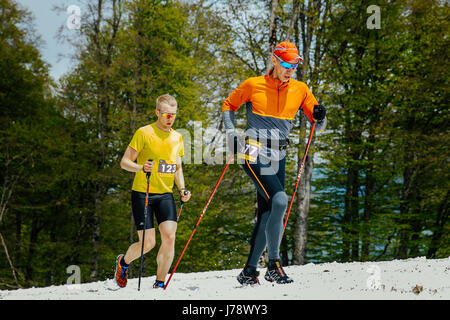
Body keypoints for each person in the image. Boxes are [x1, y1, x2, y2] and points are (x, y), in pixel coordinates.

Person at [222, 41, 326, 285]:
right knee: (280, 199)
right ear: (275, 61)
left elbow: (317, 124)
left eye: (294, 65)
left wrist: (321, 117)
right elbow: (229, 105)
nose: (290, 69)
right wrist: (231, 133)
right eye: (287, 64)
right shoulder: (253, 84)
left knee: (269, 211)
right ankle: (273, 265)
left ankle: (249, 271)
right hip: (253, 150)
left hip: (279, 155)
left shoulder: (300, 89)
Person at [115, 94, 191, 289]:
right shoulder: (144, 133)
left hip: (165, 194)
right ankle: (123, 262)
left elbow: (177, 167)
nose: (170, 118)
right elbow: (124, 162)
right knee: (147, 244)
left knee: (170, 236)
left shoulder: (177, 137)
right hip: (143, 193)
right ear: (157, 112)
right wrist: (141, 167)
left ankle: (159, 282)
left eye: (173, 115)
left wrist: (182, 188)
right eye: (166, 114)